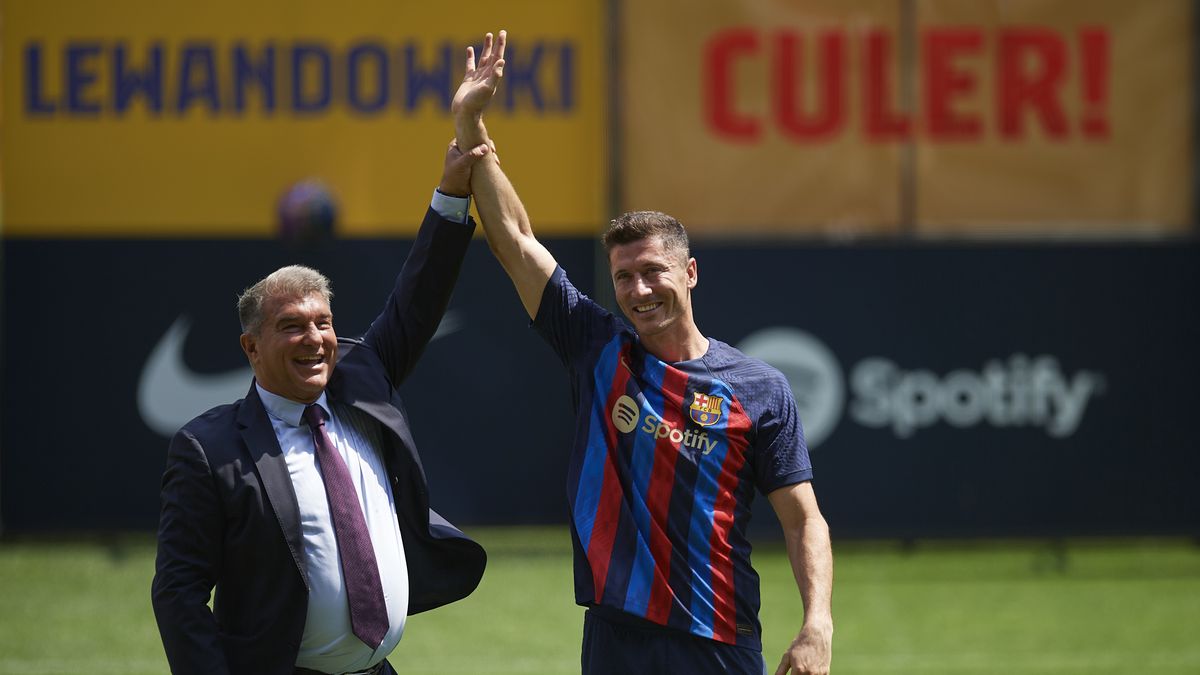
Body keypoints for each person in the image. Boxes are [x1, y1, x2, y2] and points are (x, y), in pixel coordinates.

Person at [448, 31, 834, 675]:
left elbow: (803, 519)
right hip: (616, 636)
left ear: (690, 273)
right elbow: (514, 239)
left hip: (719, 634)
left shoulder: (760, 387)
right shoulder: (597, 348)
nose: (639, 289)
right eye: (624, 276)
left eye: (653, 271)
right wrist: (470, 122)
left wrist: (816, 625)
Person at [150, 98, 495, 675]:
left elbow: (419, 296)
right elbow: (179, 595)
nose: (314, 339)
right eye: (291, 327)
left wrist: (452, 191)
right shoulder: (208, 450)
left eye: (323, 322)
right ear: (251, 347)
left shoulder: (360, 381)